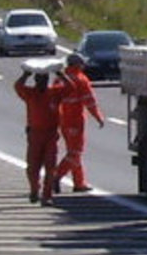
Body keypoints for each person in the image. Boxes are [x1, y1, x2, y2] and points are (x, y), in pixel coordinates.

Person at [53, 50, 105, 194]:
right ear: (78, 65)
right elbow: (90, 102)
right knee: (75, 152)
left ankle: (79, 182)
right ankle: (56, 176)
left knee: (73, 152)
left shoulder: (60, 79)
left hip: (63, 121)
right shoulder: (80, 79)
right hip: (75, 120)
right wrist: (98, 117)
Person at [14, 66, 62, 203]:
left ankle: (47, 195)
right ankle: (34, 190)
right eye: (40, 79)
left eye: (45, 79)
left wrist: (60, 74)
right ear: (35, 80)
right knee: (32, 167)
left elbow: (71, 88)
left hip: (51, 134)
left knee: (50, 167)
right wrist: (25, 75)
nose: (43, 82)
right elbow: (17, 86)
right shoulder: (30, 93)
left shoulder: (54, 93)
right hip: (35, 134)